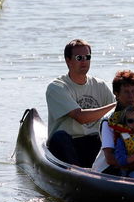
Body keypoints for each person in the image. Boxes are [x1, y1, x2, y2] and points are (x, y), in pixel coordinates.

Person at [46, 39, 116, 167]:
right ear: (68, 60)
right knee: (60, 137)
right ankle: (78, 176)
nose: (84, 61)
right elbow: (81, 117)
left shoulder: (99, 85)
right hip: (68, 143)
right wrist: (118, 105)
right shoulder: (56, 87)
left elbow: (116, 117)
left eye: (87, 57)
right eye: (79, 57)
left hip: (92, 143)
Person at [92, 70, 134, 174]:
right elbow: (110, 159)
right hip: (111, 169)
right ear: (116, 94)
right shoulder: (108, 120)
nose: (131, 96)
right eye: (126, 92)